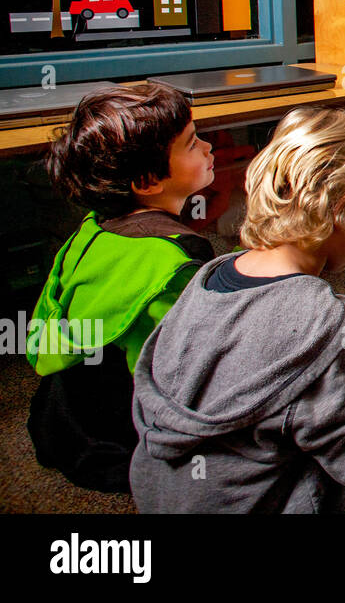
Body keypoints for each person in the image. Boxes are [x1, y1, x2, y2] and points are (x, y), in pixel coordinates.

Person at [130, 107, 345, 513]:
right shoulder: (320, 316)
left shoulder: (211, 274)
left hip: (168, 495)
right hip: (266, 502)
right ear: (344, 211)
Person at [26, 83, 216, 494]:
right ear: (147, 180)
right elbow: (185, 372)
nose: (207, 146)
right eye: (191, 143)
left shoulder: (94, 227)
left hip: (59, 423)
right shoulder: (178, 260)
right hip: (118, 441)